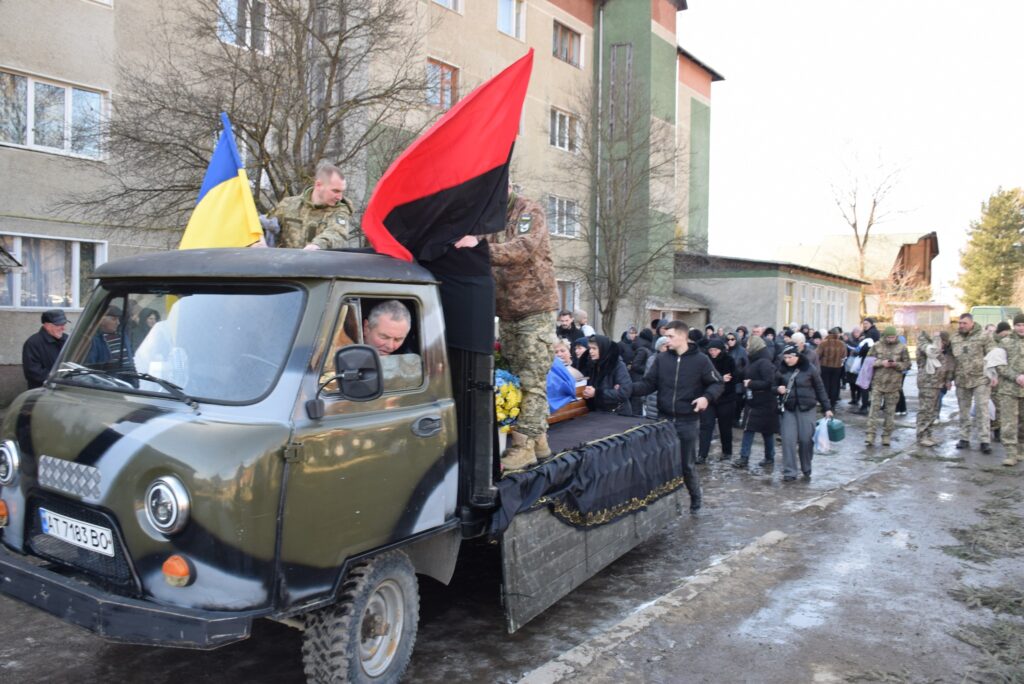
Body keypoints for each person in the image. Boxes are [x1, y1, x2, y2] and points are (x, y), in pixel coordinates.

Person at [457, 186, 558, 472]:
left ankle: (522, 447)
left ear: (509, 187)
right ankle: (538, 441)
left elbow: (523, 248)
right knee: (515, 376)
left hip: (534, 309)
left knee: (532, 379)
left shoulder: (528, 210)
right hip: (508, 312)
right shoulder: (489, 219)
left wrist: (479, 248)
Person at [632, 321, 724, 513]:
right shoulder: (662, 359)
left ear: (683, 336)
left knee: (686, 464)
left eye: (671, 336)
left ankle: (695, 500)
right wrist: (627, 389)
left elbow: (717, 383)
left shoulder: (701, 360)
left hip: (687, 420)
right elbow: (648, 384)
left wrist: (706, 398)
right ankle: (663, 504)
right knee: (660, 463)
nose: (667, 340)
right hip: (663, 419)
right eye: (666, 336)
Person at [268, 162, 360, 250]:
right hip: (284, 263)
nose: (339, 197)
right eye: (335, 191)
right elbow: (264, 225)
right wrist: (260, 239)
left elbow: (337, 234)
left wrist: (317, 245)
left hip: (318, 263)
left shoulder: (340, 210)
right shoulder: (288, 205)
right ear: (318, 185)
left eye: (342, 191)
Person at [776, 344, 833, 481]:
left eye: (790, 357)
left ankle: (806, 467)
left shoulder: (809, 368)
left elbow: (819, 388)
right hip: (788, 408)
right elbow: (772, 385)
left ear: (797, 356)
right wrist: (777, 389)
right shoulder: (780, 369)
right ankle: (790, 472)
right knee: (788, 440)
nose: (787, 360)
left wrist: (827, 408)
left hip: (807, 408)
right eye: (785, 357)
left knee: (805, 440)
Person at [951, 312, 996, 452]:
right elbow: (951, 360)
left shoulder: (984, 336)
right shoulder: (955, 338)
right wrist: (948, 378)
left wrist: (993, 375)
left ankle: (984, 440)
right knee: (963, 410)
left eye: (964, 323)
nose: (961, 325)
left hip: (980, 379)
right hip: (961, 379)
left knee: (982, 409)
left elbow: (993, 356)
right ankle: (964, 438)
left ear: (971, 323)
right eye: (960, 323)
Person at [732, 335, 778, 469]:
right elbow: (747, 374)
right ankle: (746, 457)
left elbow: (768, 382)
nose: (746, 348)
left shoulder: (764, 362)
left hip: (764, 402)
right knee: (750, 429)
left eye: (748, 346)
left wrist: (751, 383)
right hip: (753, 401)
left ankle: (767, 457)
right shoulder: (753, 360)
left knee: (765, 431)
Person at [864, 326, 911, 447]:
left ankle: (886, 436)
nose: (891, 339)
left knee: (890, 412)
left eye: (893, 337)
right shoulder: (877, 346)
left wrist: (896, 365)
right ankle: (870, 435)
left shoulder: (902, 348)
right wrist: (881, 363)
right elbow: (868, 362)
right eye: (889, 337)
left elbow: (907, 364)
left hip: (894, 385)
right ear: (885, 336)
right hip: (878, 384)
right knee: (873, 410)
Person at [699, 338, 737, 463]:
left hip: (726, 399)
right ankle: (702, 454)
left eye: (715, 350)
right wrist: (720, 378)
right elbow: (703, 379)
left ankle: (727, 452)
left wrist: (718, 379)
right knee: (706, 426)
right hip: (709, 398)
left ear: (721, 349)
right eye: (710, 350)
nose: (713, 352)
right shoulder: (705, 360)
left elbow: (732, 379)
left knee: (725, 427)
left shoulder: (729, 360)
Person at [916, 330, 954, 447]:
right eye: (941, 342)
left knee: (933, 411)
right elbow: (924, 347)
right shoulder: (928, 349)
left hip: (938, 384)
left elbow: (948, 365)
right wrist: (935, 345)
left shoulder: (945, 352)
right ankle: (922, 435)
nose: (942, 344)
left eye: (943, 342)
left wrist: (948, 380)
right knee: (925, 410)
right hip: (927, 384)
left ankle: (928, 434)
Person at [996, 314, 1024, 466]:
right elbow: (999, 364)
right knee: (1009, 422)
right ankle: (1010, 453)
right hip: (1009, 389)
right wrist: (1016, 377)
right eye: (1018, 325)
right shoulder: (1004, 342)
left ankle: (1021, 450)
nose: (1021, 328)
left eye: (1023, 325)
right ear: (1014, 326)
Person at [582, 335, 632, 415]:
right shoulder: (594, 365)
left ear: (603, 349)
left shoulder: (617, 365)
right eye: (590, 348)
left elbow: (624, 392)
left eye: (594, 348)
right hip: (601, 413)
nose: (590, 351)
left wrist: (597, 393)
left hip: (618, 414)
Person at [22, 309, 69, 389]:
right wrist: (58, 379)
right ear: (47, 325)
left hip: (65, 388)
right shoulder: (33, 343)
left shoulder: (66, 339)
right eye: (58, 325)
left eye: (64, 324)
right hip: (43, 391)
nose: (63, 328)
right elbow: (33, 372)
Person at [817, 327, 847, 410]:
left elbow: (817, 354)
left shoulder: (823, 343)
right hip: (837, 367)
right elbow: (844, 356)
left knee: (825, 385)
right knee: (835, 385)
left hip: (825, 366)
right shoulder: (842, 344)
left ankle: (825, 406)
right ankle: (832, 405)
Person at [643, 336, 669, 418]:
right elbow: (647, 379)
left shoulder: (671, 359)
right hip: (653, 397)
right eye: (665, 346)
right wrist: (644, 398)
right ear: (659, 347)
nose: (668, 348)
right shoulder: (652, 359)